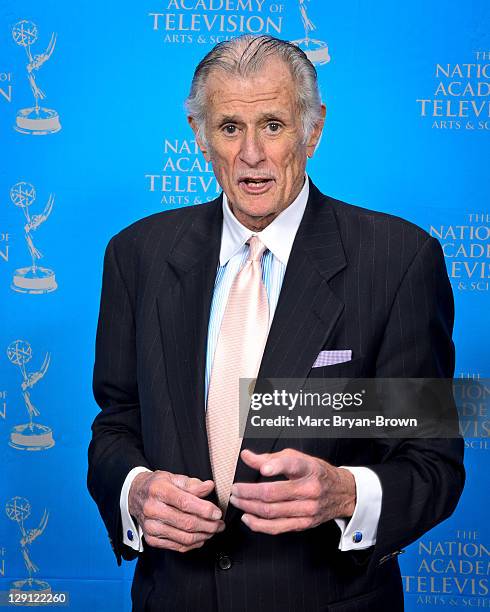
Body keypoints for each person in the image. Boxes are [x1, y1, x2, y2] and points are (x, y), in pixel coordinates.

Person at [87, 35, 465, 612]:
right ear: (199, 134)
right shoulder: (136, 255)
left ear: (313, 131)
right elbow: (115, 422)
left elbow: (433, 463)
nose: (251, 156)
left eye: (273, 124)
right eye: (230, 127)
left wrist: (346, 495)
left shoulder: (399, 261)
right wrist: (134, 491)